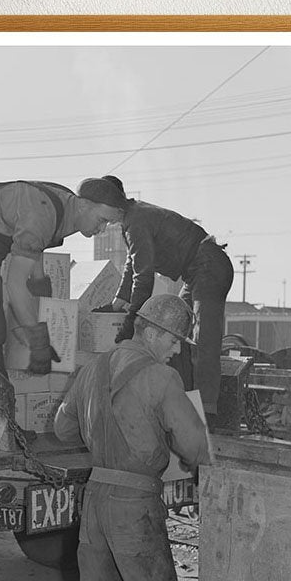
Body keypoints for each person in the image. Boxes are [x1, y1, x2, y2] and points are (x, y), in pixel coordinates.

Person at [53, 294, 212, 581]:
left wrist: (103, 438)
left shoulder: (92, 369)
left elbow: (62, 428)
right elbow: (196, 446)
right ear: (153, 333)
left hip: (94, 509)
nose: (177, 350)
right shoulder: (161, 378)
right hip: (134, 510)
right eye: (175, 341)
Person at [77, 177, 234, 423]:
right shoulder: (132, 218)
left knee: (204, 339)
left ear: (114, 205)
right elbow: (132, 265)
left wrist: (131, 323)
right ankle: (181, 400)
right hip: (197, 272)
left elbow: (144, 277)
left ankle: (208, 410)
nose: (104, 223)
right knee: (176, 331)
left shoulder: (136, 221)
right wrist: (117, 303)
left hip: (209, 267)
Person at [0, 180, 124, 375]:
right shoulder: (44, 213)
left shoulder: (64, 205)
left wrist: (40, 285)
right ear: (84, 205)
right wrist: (38, 342)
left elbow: (35, 244)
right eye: (102, 220)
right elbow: (15, 284)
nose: (102, 230)